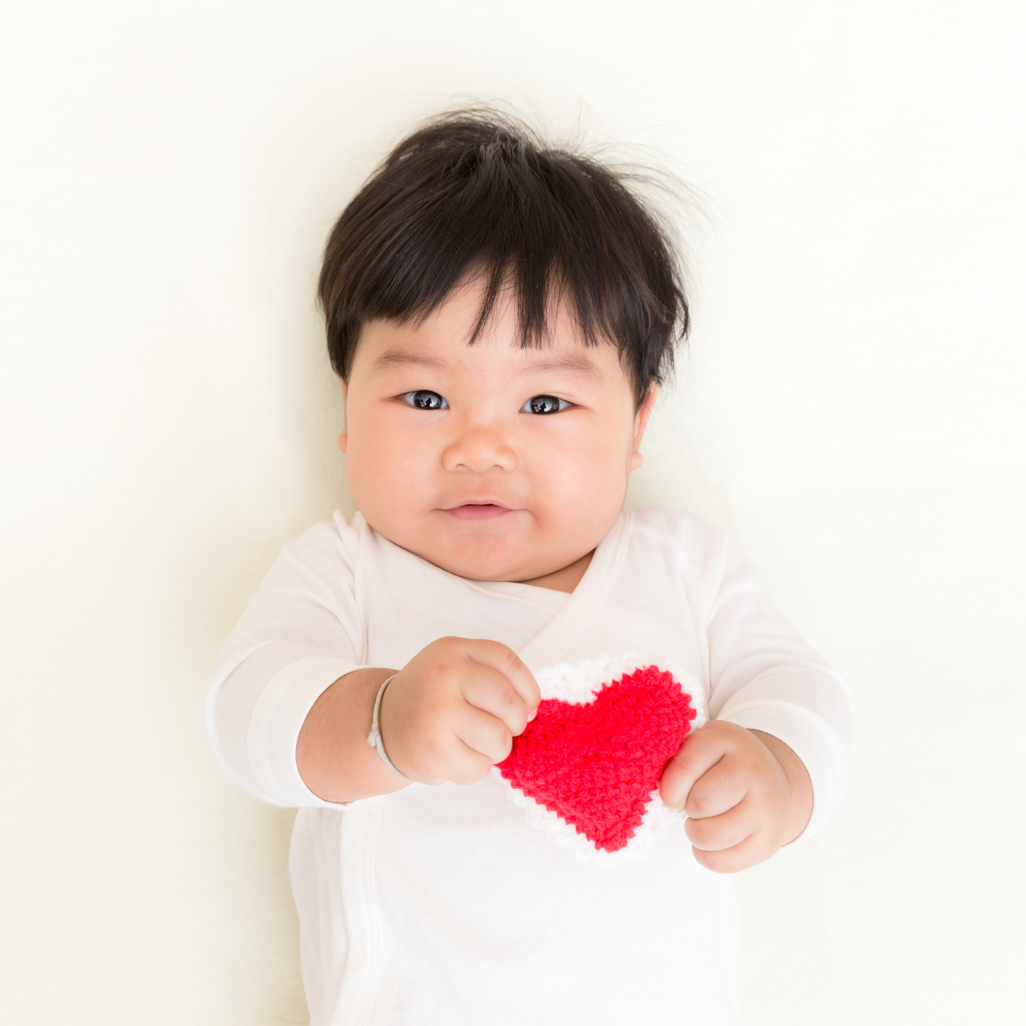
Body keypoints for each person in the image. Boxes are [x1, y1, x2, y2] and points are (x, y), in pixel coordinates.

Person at [206, 109, 853, 1026]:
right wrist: (382, 718)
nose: (480, 448)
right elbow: (246, 718)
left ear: (636, 427)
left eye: (544, 401)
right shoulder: (344, 574)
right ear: (345, 413)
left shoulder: (685, 567)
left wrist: (781, 774)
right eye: (424, 396)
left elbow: (803, 688)